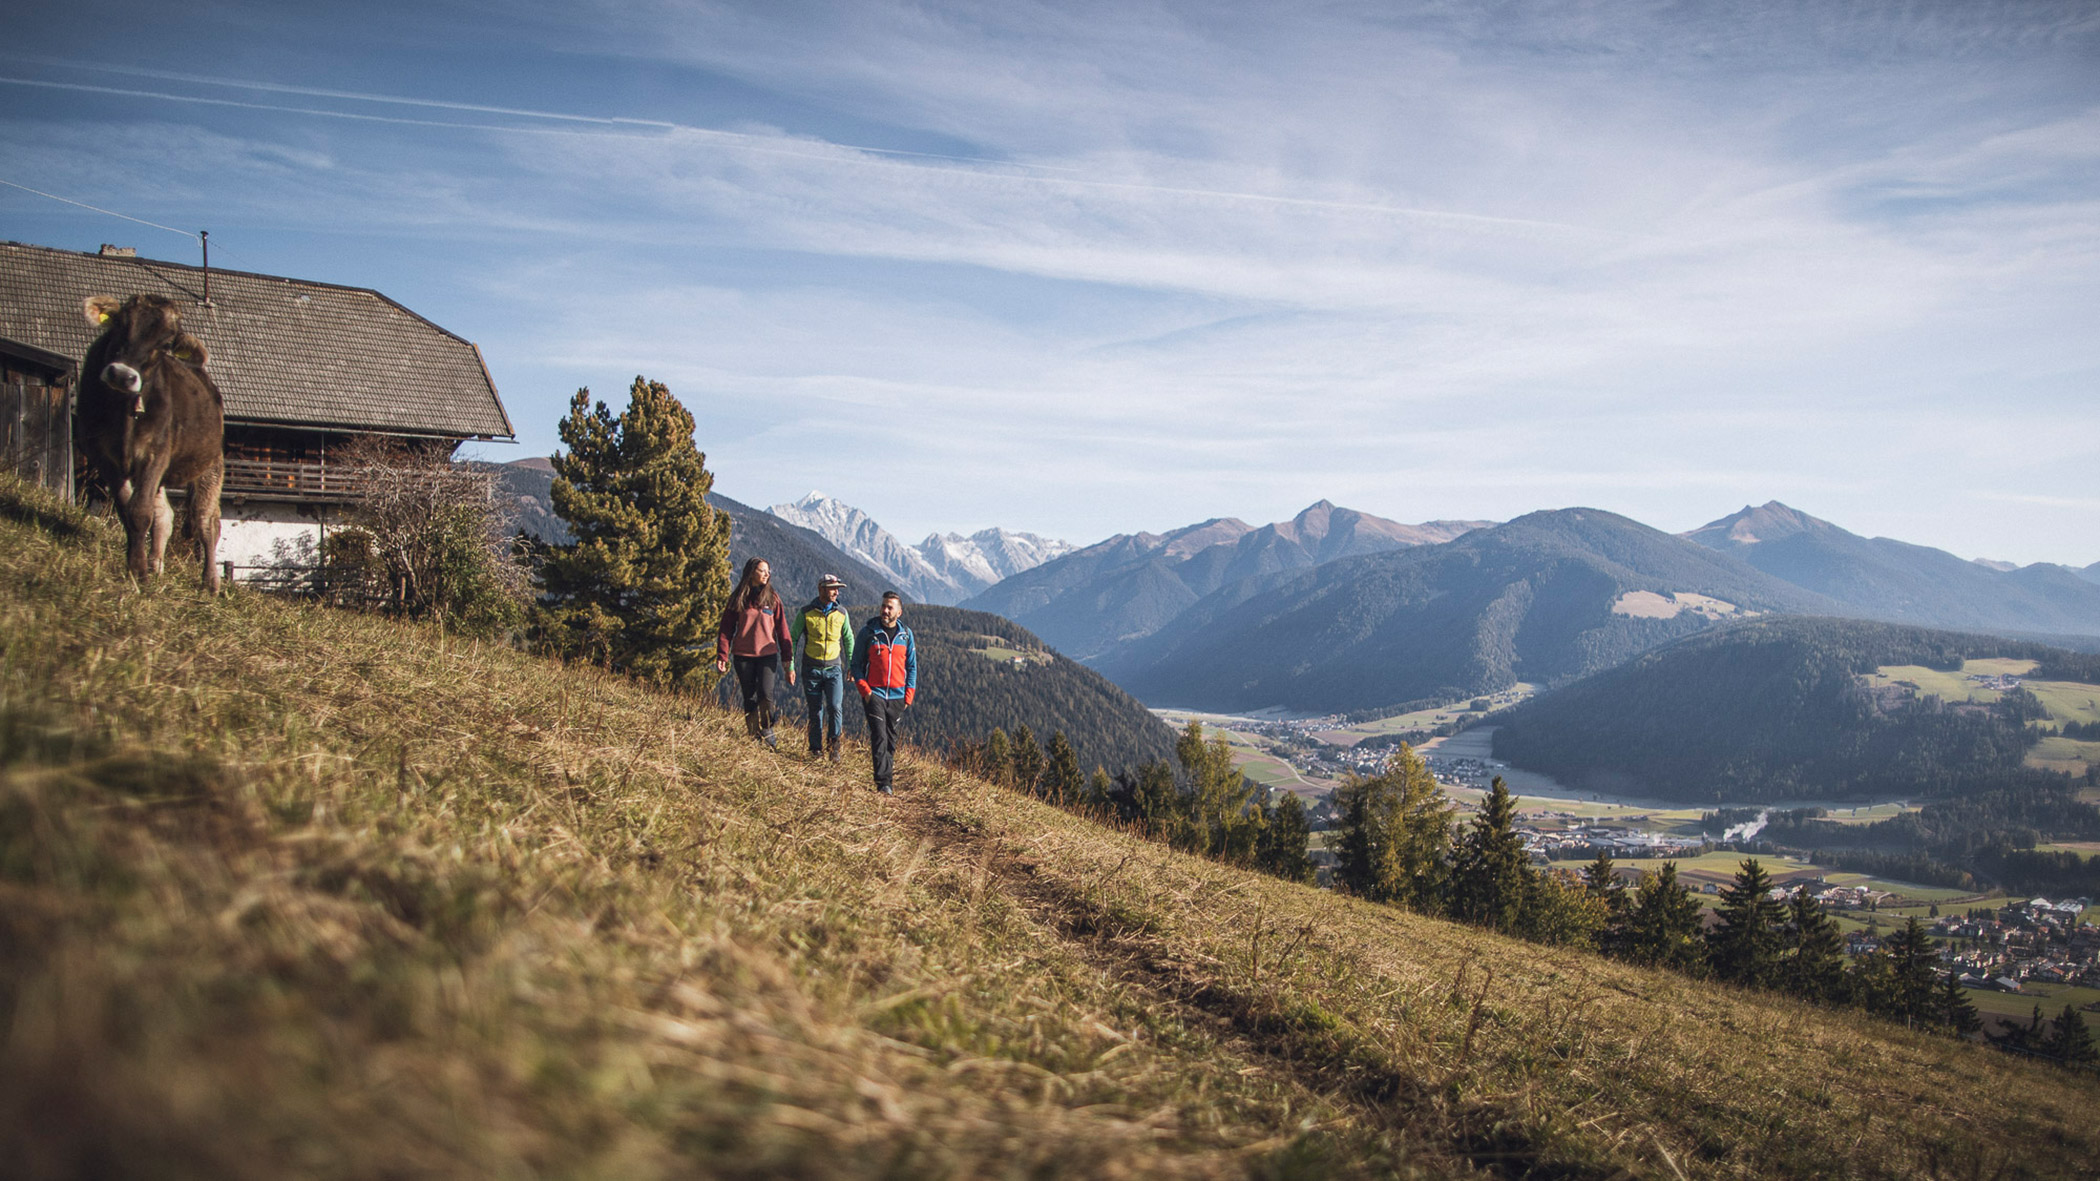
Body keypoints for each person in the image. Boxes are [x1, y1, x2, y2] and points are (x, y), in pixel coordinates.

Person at [715, 557, 794, 748]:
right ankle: (753, 736)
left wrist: (787, 659)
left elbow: (782, 630)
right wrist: (722, 654)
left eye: (768, 571)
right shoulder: (738, 599)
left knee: (766, 696)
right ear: (751, 573)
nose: (767, 574)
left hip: (767, 656)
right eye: (762, 570)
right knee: (749, 696)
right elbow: (726, 628)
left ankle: (766, 729)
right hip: (743, 656)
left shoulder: (772, 598)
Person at [851, 591, 917, 795]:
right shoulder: (868, 632)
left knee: (890, 739)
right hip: (875, 694)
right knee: (879, 736)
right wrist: (865, 690)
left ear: (899, 612)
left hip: (898, 697)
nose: (885, 610)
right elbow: (856, 664)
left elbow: (912, 666)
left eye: (890, 607)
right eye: (883, 606)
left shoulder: (906, 635)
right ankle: (883, 783)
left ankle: (887, 778)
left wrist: (909, 695)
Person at [790, 573, 854, 761]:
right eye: (832, 588)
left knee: (835, 706)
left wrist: (851, 664)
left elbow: (848, 639)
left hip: (834, 669)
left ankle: (834, 748)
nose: (836, 592)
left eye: (837, 589)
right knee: (815, 710)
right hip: (811, 668)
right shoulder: (806, 612)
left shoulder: (841, 613)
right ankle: (815, 749)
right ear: (821, 589)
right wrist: (790, 665)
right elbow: (793, 638)